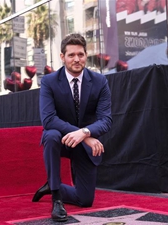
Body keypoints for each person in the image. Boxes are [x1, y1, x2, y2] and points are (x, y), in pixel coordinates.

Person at [32, 33, 112, 222]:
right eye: (71, 55)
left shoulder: (100, 82)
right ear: (62, 57)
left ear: (86, 55)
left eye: (81, 54)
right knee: (50, 135)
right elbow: (49, 119)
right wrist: (85, 135)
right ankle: (56, 198)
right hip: (61, 139)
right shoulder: (49, 81)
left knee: (85, 200)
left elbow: (106, 120)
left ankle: (53, 185)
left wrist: (84, 133)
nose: (77, 59)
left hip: (83, 143)